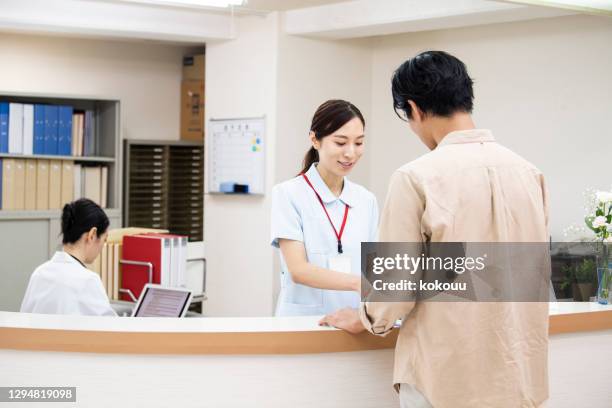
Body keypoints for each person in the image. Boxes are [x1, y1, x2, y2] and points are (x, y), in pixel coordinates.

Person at [321, 51, 549, 407]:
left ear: (413, 109)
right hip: (518, 376)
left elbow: (395, 287)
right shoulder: (529, 174)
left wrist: (365, 318)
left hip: (445, 377)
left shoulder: (415, 177)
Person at [271, 99, 379, 316]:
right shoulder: (288, 194)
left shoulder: (366, 200)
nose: (350, 153)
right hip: (302, 323)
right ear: (315, 139)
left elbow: (375, 269)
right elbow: (299, 270)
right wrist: (359, 284)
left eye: (358, 143)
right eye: (340, 143)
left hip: (353, 321)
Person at [21, 198, 116, 316]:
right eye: (104, 239)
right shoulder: (88, 280)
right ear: (92, 235)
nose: (103, 246)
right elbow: (110, 329)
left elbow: (24, 321)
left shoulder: (39, 274)